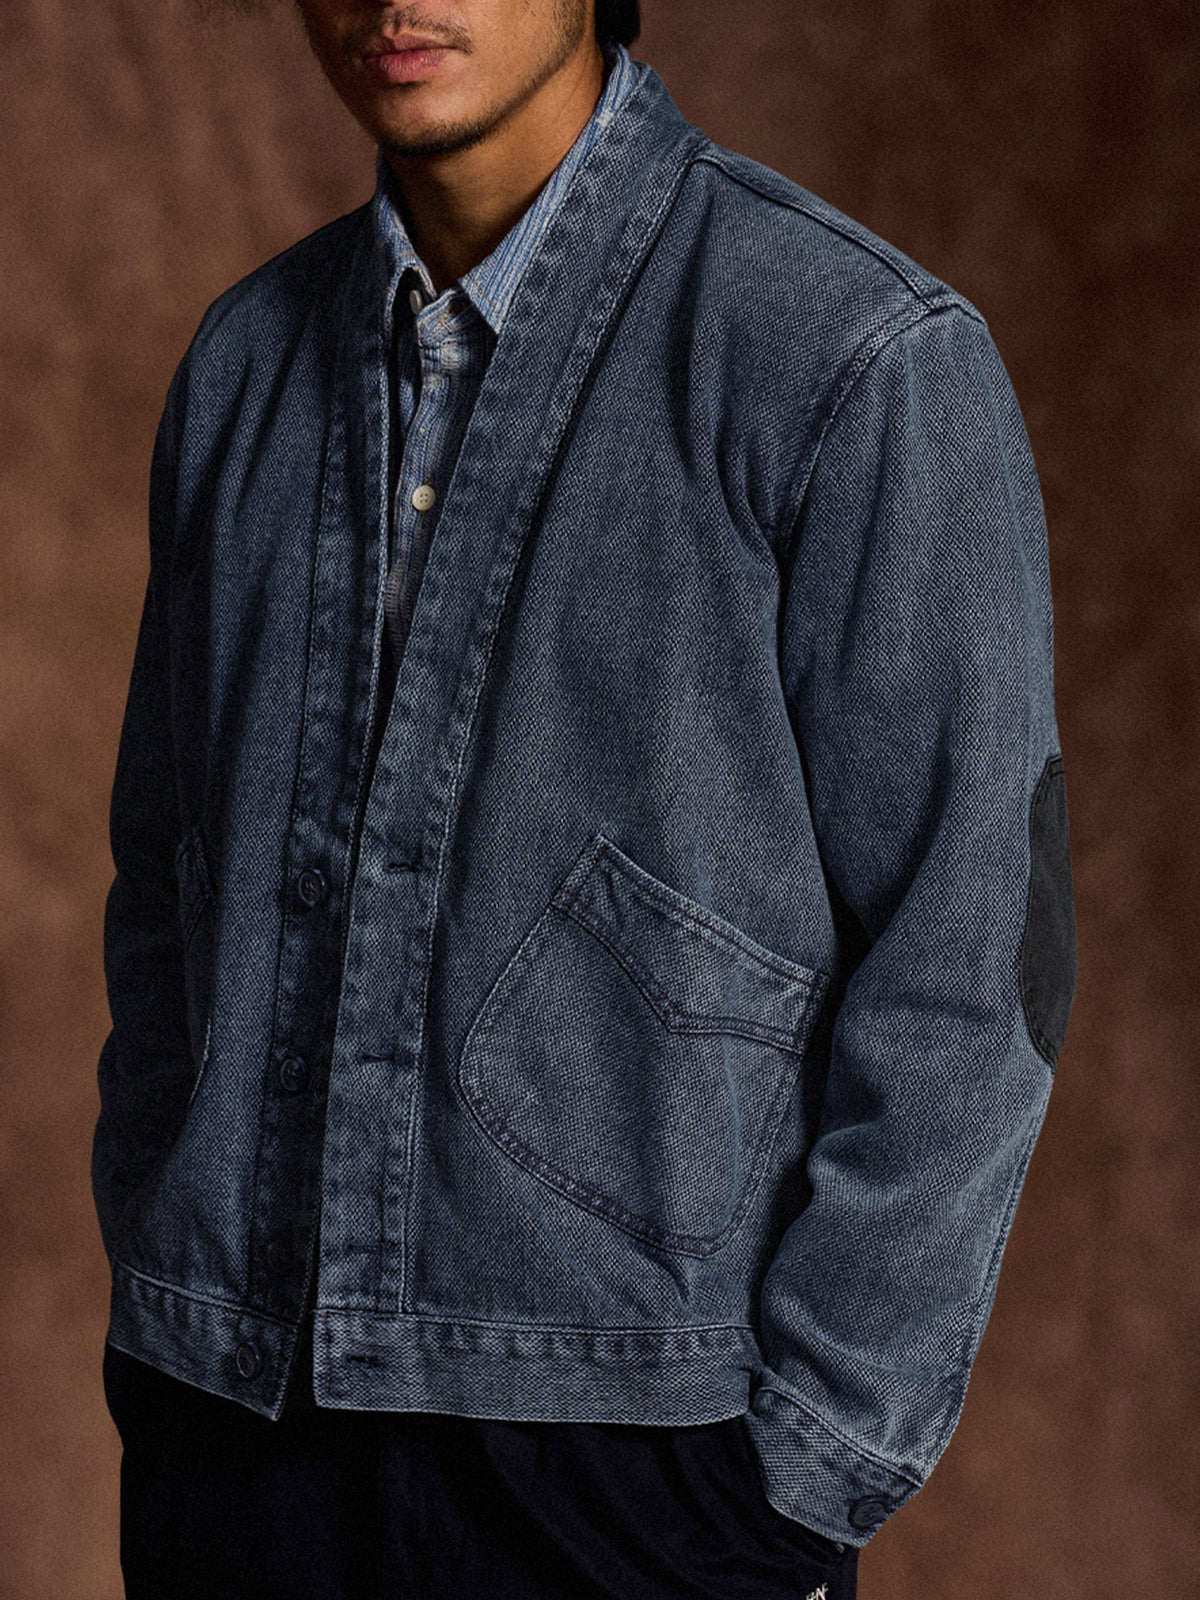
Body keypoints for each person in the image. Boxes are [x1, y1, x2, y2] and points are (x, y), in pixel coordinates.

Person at [94, 1, 1077, 1595]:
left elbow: (975, 954)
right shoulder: (240, 369)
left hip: (644, 1477)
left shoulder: (848, 355)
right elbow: (165, 883)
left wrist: (801, 1474)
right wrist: (169, 1295)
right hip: (237, 1447)